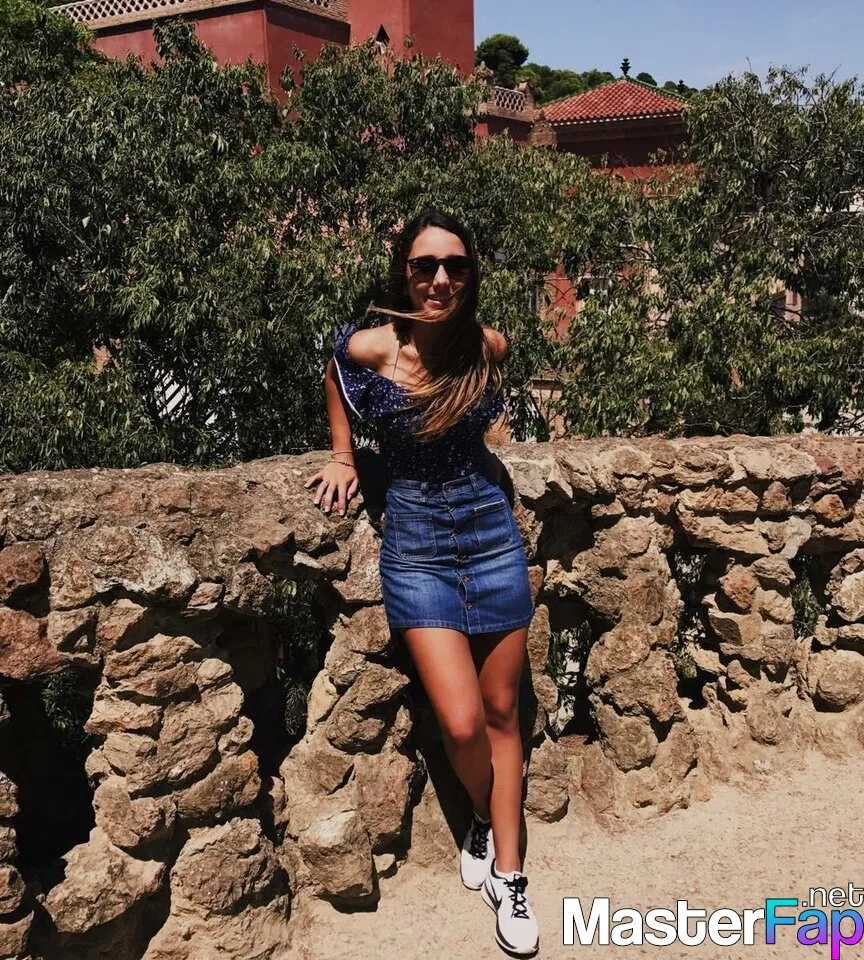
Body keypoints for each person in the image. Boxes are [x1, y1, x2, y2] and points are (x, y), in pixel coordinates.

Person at [304, 208, 539, 956]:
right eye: (425, 265)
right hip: (416, 546)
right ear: (403, 273)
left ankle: (509, 872)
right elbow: (332, 369)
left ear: (471, 276)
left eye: (455, 266)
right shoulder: (373, 345)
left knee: (503, 714)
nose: (440, 279)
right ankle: (483, 812)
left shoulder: (487, 346)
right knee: (462, 723)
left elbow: (487, 412)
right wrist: (343, 454)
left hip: (491, 535)